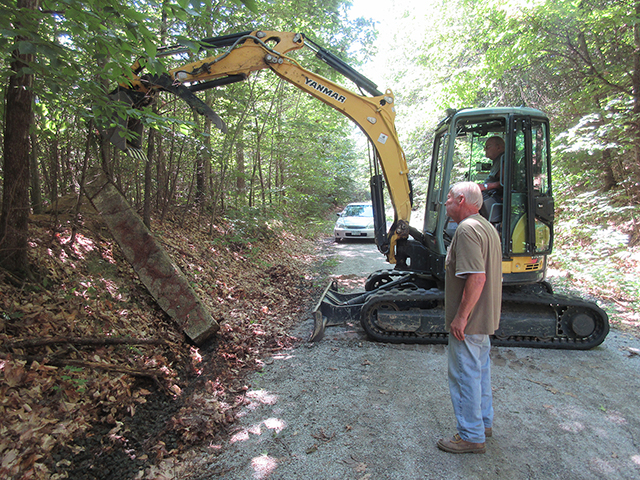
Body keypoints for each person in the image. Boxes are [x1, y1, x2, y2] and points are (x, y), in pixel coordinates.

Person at [437, 182, 502, 454]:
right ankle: (483, 424)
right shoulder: (486, 227)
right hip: (484, 318)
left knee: (464, 375)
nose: (445, 203)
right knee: (479, 373)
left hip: (470, 322)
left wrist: (460, 317)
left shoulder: (466, 230)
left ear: (462, 200)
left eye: (449, 198)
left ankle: (471, 436)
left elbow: (477, 278)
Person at [478, 136, 504, 220]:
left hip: (495, 199)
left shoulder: (504, 159)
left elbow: (504, 182)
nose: (485, 149)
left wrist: (485, 186)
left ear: (498, 147)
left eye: (488, 147)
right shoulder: (497, 161)